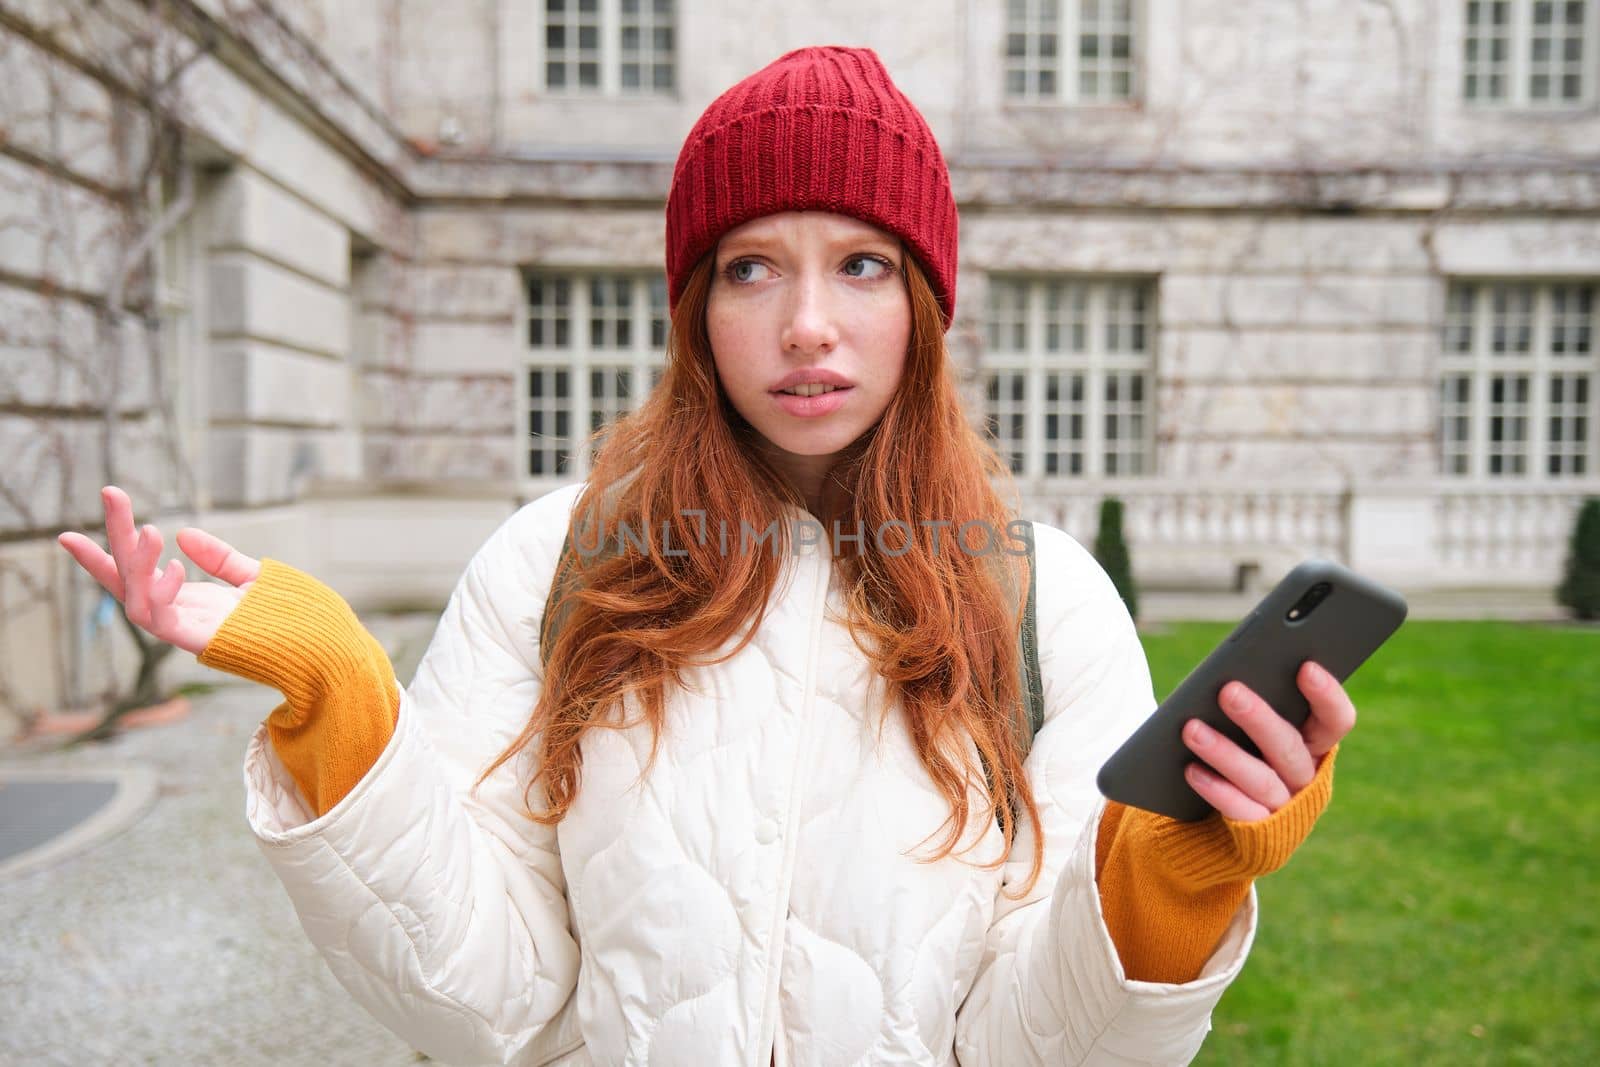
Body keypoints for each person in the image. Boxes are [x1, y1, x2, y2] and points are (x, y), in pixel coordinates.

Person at [58, 45, 1354, 1067]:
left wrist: (1167, 888)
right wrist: (343, 708)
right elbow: (491, 1008)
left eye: (858, 265)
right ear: (694, 308)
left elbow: (1041, 1048)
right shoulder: (557, 565)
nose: (806, 325)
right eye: (750, 269)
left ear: (923, 303)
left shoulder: (1041, 600)